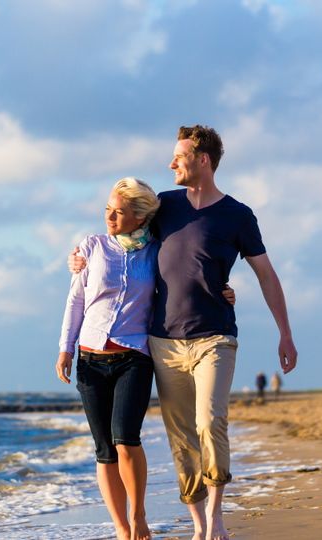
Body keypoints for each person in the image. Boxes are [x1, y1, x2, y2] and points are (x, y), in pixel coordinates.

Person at [68, 125, 297, 540]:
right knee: (181, 437)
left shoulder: (238, 215)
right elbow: (122, 233)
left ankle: (216, 519)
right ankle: (197, 525)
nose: (171, 163)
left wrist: (285, 332)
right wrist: (81, 255)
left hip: (215, 335)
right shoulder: (166, 206)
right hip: (163, 340)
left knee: (210, 421)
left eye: (179, 156)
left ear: (202, 159)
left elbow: (266, 273)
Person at [56, 177, 236, 540]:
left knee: (126, 439)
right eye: (108, 209)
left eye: (119, 212)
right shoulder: (91, 248)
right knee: (104, 449)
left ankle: (138, 517)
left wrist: (223, 291)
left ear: (140, 217)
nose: (109, 216)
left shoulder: (156, 251)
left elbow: (185, 279)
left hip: (134, 356)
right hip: (90, 358)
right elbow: (76, 300)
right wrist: (66, 347)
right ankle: (122, 528)